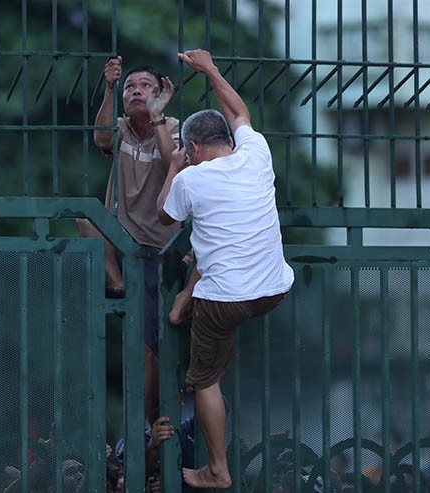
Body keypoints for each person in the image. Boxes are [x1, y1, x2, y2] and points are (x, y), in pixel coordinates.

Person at [157, 49, 295, 489]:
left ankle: (216, 470)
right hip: (273, 289)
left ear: (193, 148)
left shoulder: (190, 177)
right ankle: (189, 307)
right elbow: (239, 110)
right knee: (209, 248)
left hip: (225, 300)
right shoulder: (255, 154)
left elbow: (164, 218)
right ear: (230, 142)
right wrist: (211, 70)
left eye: (189, 153)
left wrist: (174, 167)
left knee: (204, 380)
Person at [79, 56, 180, 425]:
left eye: (145, 86)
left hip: (160, 248)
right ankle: (117, 282)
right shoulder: (118, 127)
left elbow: (176, 165)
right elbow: (101, 138)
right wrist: (107, 86)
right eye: (129, 87)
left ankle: (149, 420)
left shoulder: (170, 125)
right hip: (122, 242)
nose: (136, 91)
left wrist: (156, 118)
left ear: (160, 94)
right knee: (85, 216)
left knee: (152, 342)